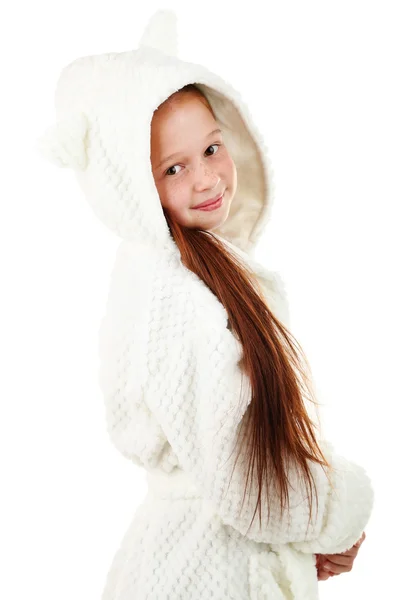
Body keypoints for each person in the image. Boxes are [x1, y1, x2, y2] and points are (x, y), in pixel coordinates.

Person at [36, 9, 374, 600]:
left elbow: (247, 462)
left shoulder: (199, 275)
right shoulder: (174, 299)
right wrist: (338, 513)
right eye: (174, 167)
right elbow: (247, 484)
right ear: (134, 187)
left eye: (212, 148)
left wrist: (300, 531)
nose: (207, 179)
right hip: (202, 576)